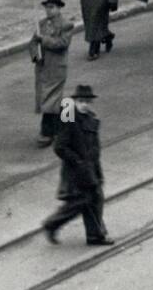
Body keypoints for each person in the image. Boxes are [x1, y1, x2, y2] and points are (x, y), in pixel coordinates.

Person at [42, 84, 113, 247]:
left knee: (92, 199)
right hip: (76, 171)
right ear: (75, 101)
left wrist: (96, 169)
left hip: (90, 168)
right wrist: (77, 161)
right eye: (81, 101)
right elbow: (59, 146)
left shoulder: (91, 118)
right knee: (81, 202)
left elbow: (94, 146)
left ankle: (94, 235)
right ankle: (53, 225)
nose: (84, 104)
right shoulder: (69, 118)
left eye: (87, 101)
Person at [30, 0, 72, 146]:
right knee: (48, 99)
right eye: (47, 7)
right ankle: (63, 126)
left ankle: (46, 132)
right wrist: (35, 56)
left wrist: (44, 40)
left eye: (52, 7)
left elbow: (62, 44)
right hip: (43, 67)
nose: (49, 10)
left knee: (49, 100)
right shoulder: (41, 24)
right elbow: (33, 43)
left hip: (56, 68)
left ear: (59, 8)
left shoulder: (66, 25)